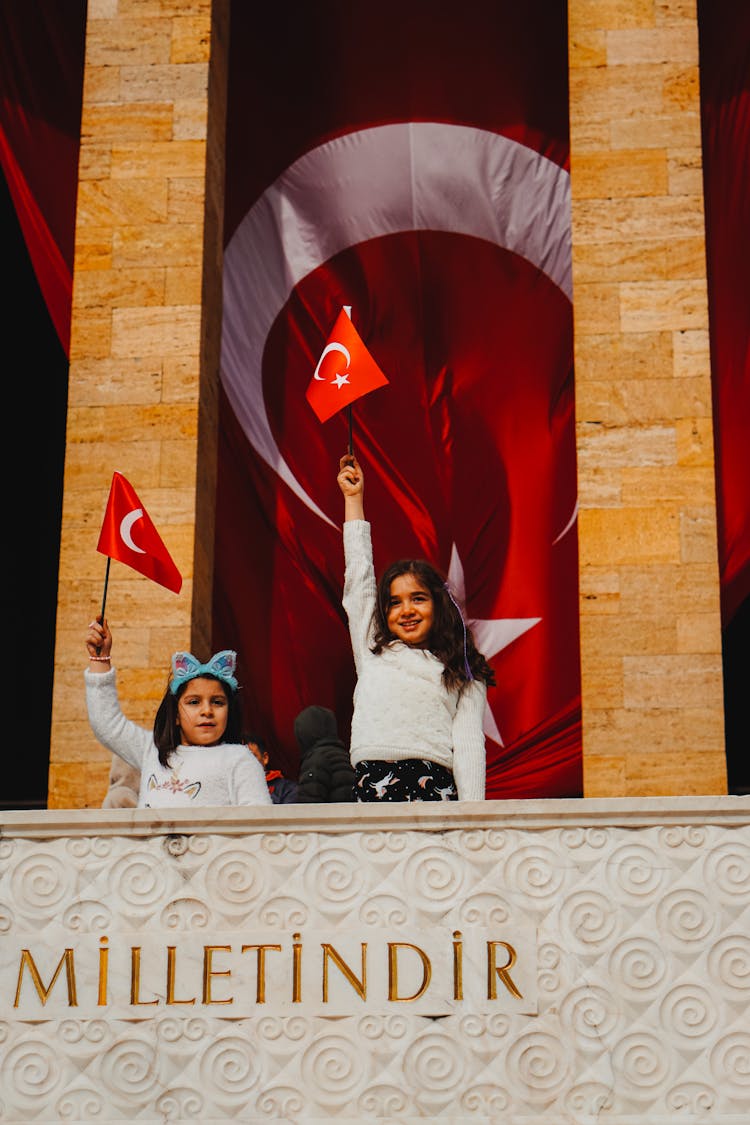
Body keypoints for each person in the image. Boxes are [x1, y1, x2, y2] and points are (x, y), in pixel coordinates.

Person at [337, 454, 496, 802]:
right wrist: (354, 501)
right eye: (394, 602)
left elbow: (469, 746)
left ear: (439, 605)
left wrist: (471, 822)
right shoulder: (372, 650)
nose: (406, 610)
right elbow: (359, 577)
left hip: (433, 788)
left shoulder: (464, 669)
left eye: (418, 599)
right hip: (371, 786)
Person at [85, 619, 272, 809]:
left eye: (217, 702)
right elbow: (107, 724)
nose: (207, 711)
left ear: (229, 712)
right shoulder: (152, 751)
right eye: (193, 702)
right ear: (175, 714)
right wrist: (100, 660)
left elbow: (257, 823)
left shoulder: (240, 758)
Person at [294, 705, 356, 803]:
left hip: (330, 817)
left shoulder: (316, 760)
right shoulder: (345, 757)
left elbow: (309, 804)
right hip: (348, 816)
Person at [245, 733, 299, 804]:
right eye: (240, 759)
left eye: (251, 757)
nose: (245, 763)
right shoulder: (229, 790)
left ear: (265, 758)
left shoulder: (286, 789)